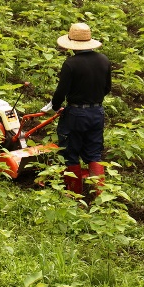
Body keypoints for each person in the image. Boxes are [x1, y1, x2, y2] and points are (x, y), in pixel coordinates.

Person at [50, 22, 111, 197]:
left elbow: (61, 91)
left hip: (76, 114)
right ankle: (100, 195)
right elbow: (107, 88)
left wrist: (55, 107)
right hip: (97, 113)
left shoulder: (71, 64)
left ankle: (75, 194)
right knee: (94, 153)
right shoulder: (104, 60)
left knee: (70, 152)